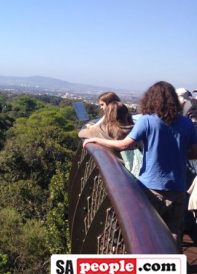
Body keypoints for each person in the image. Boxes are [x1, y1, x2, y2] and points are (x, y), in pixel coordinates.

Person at [83, 81, 197, 250]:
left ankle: (150, 272)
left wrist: (96, 140)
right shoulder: (187, 124)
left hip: (151, 187)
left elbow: (124, 145)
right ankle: (175, 271)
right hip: (178, 187)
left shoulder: (147, 121)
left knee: (146, 234)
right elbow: (195, 153)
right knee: (174, 235)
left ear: (150, 99)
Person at [79, 101, 141, 176]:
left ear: (108, 115)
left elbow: (81, 133)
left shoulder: (104, 130)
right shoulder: (135, 130)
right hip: (129, 172)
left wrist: (93, 130)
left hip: (112, 169)